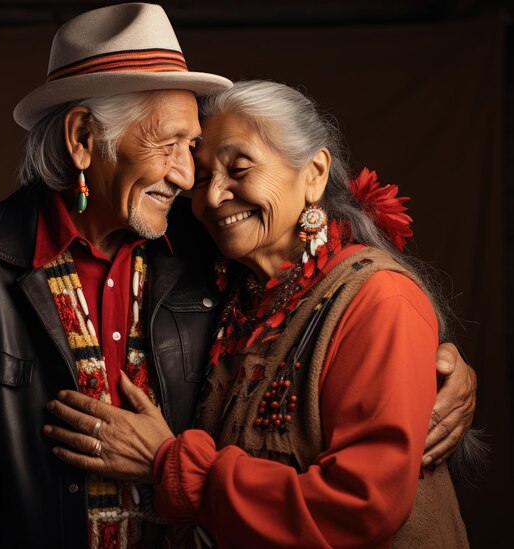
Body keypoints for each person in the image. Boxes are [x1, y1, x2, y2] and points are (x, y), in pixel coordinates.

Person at [0, 4, 473, 548]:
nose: (191, 177)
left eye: (192, 146)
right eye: (171, 145)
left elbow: (342, 305)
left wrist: (441, 364)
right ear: (84, 140)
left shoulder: (201, 245)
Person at [43, 81, 473, 548]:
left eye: (240, 168)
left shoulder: (379, 299)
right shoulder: (228, 289)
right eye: (203, 177)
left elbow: (362, 506)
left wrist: (167, 463)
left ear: (314, 172)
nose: (210, 199)